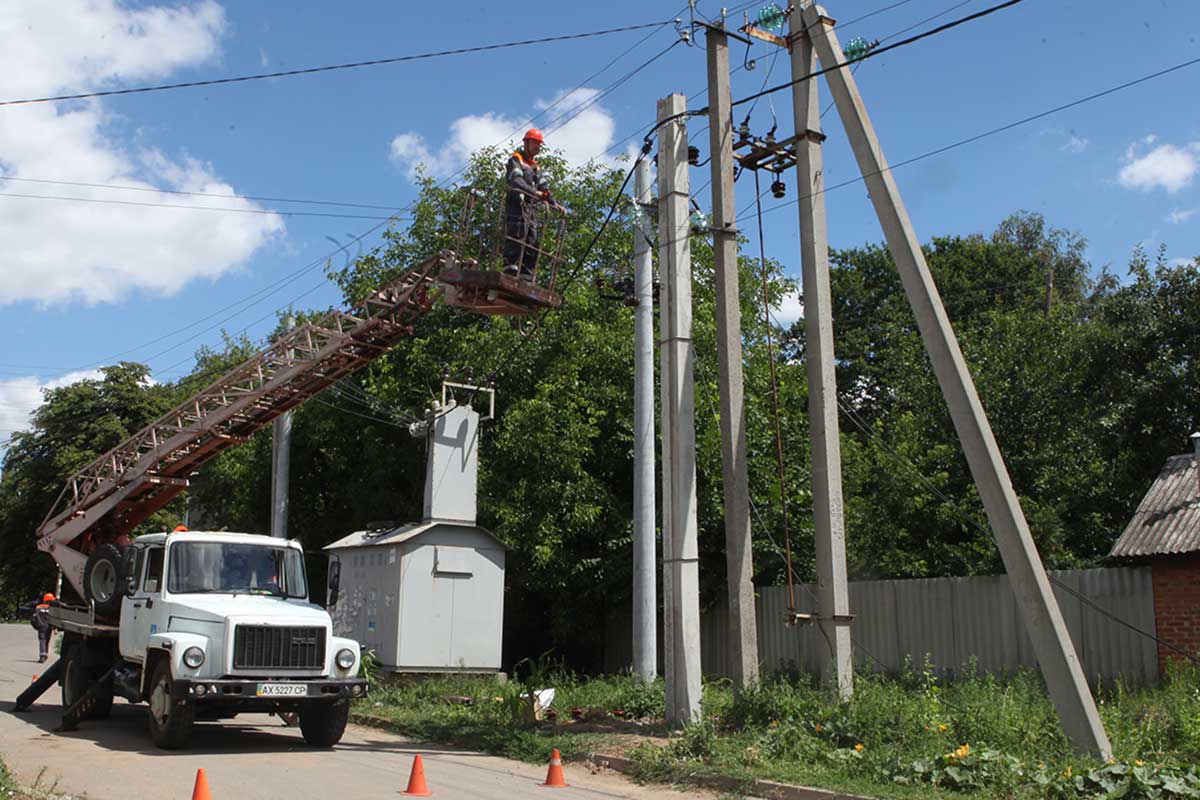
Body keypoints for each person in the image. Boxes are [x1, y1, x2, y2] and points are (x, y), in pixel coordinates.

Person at [503, 128, 555, 280]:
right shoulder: (516, 159)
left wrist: (554, 203)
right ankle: (510, 265)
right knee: (517, 232)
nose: (537, 147)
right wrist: (534, 193)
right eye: (534, 143)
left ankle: (526, 272)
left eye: (539, 144)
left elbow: (544, 187)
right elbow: (516, 181)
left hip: (530, 207)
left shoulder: (534, 166)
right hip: (516, 203)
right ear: (526, 143)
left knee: (531, 237)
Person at [31, 593, 53, 663]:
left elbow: (33, 618)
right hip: (49, 626)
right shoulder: (52, 609)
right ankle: (45, 654)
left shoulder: (38, 607)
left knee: (42, 640)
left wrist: (35, 626)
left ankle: (42, 656)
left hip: (41, 626)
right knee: (47, 640)